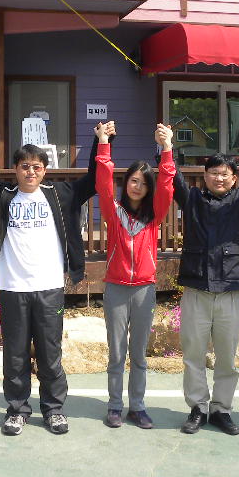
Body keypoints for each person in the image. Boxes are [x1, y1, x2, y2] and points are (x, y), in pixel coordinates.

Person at [0, 123, 100, 436]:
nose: (30, 172)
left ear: (45, 170)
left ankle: (54, 410)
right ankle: (17, 410)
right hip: (13, 287)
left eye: (36, 166)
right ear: (15, 170)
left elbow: (95, 179)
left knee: (50, 354)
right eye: (24, 166)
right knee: (15, 354)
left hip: (49, 287)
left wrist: (101, 141)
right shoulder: (0, 194)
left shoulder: (61, 194)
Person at [173, 134, 239, 436]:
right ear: (205, 176)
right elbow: (172, 178)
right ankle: (197, 408)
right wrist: (165, 148)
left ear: (234, 178)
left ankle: (221, 409)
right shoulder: (192, 199)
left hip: (230, 289)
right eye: (214, 172)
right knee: (193, 354)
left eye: (225, 173)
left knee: (227, 357)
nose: (219, 178)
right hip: (196, 288)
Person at [95, 121, 176, 429]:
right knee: (117, 353)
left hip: (144, 290)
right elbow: (103, 181)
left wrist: (167, 148)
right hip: (116, 289)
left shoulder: (154, 216)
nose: (137, 186)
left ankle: (138, 407)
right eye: (132, 180)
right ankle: (115, 406)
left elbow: (167, 185)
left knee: (139, 355)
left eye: (143, 182)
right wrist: (104, 144)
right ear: (126, 182)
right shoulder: (113, 211)